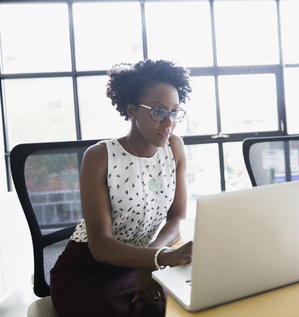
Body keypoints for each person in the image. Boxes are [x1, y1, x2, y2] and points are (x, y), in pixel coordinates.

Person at [50, 59, 194, 317]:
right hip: (88, 270)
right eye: (158, 111)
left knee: (181, 307)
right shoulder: (100, 156)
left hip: (141, 261)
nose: (168, 122)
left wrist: (150, 260)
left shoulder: (174, 148)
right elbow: (101, 246)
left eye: (175, 112)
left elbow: (177, 217)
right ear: (132, 110)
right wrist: (160, 258)